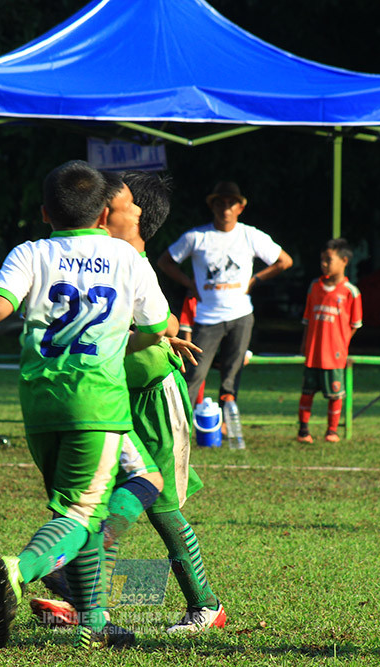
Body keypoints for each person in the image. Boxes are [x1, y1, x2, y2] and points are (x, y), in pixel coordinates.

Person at [0, 160, 171, 649]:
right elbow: (159, 328)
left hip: (41, 404)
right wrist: (123, 341)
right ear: (102, 215)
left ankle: (93, 624)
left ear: (46, 213)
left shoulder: (31, 252)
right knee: (88, 511)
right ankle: (20, 568)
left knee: (78, 509)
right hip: (97, 405)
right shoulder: (127, 259)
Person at [30, 171, 225, 634]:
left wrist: (163, 334)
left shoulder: (130, 257)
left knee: (157, 501)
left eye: (108, 202)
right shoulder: (95, 256)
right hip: (107, 397)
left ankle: (205, 605)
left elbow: (161, 320)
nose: (95, 209)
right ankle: (88, 602)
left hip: (153, 398)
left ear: (133, 217)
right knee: (96, 497)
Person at [157, 181, 292, 417]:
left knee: (232, 376)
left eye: (232, 203)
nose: (226, 208)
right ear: (213, 206)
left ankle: (226, 425)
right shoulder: (197, 237)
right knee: (194, 374)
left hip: (241, 315)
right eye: (220, 203)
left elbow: (284, 261)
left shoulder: (250, 235)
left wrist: (255, 280)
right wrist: (190, 284)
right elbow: (164, 262)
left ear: (240, 207)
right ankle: (182, 424)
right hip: (207, 317)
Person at [297, 238, 363, 444]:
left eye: (328, 259)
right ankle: (303, 431)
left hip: (334, 355)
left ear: (344, 261)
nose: (324, 264)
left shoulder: (350, 292)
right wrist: (304, 345)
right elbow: (307, 320)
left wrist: (340, 344)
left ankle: (331, 431)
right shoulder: (314, 287)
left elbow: (354, 324)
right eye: (322, 260)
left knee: (335, 394)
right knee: (307, 392)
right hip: (313, 352)